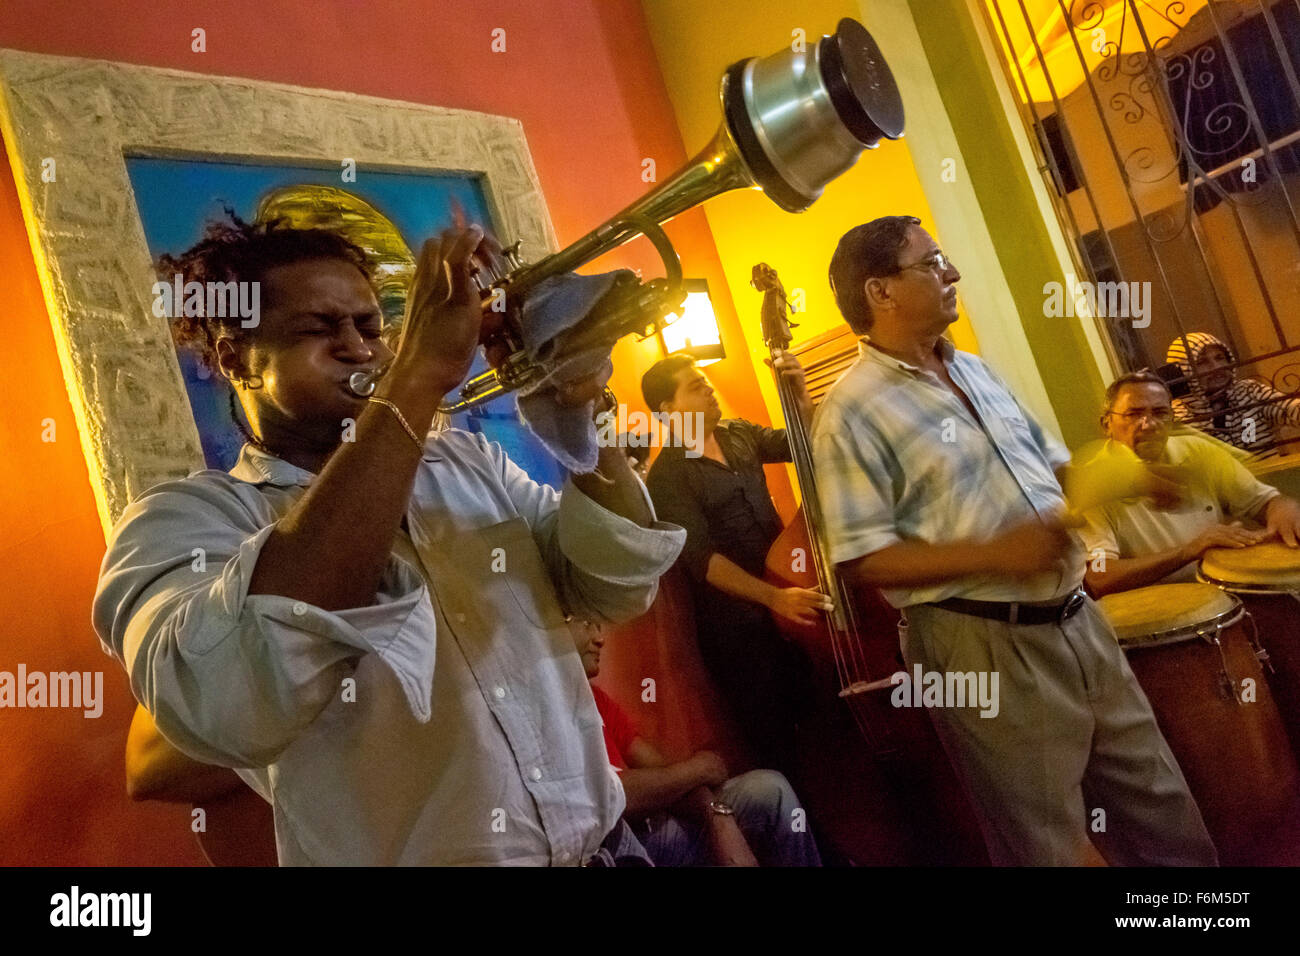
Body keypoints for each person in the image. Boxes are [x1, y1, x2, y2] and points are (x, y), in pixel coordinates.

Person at [92, 214, 685, 866]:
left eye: (371, 327)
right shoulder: (185, 520)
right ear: (236, 358)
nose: (358, 347)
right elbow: (231, 698)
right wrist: (420, 373)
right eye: (319, 329)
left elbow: (614, 584)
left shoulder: (469, 464)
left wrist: (578, 403)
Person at [811, 214, 1217, 866]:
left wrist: (1134, 480)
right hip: (979, 641)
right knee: (1048, 843)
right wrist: (998, 554)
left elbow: (1055, 469)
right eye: (932, 262)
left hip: (1078, 618)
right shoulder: (849, 411)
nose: (953, 273)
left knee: (1160, 805)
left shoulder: (975, 370)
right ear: (880, 291)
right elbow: (862, 561)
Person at [641, 353, 824, 773]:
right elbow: (704, 562)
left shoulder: (739, 434)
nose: (708, 389)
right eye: (694, 386)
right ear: (668, 410)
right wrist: (774, 597)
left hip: (791, 606)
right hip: (741, 635)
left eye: (705, 381)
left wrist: (800, 399)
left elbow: (809, 446)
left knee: (823, 725)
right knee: (780, 749)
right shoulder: (667, 476)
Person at [570, 618, 821, 866]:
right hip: (618, 842)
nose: (600, 639)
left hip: (655, 820)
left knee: (771, 790)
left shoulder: (597, 698)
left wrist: (715, 814)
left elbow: (662, 770)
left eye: (599, 626)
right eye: (586, 624)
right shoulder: (544, 713)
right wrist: (698, 769)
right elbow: (610, 795)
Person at [1079, 370, 1300, 596]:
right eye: (1134, 414)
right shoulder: (1096, 483)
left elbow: (1264, 501)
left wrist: (1281, 508)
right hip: (1159, 613)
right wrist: (1189, 551)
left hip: (1223, 596)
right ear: (1107, 424)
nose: (1148, 424)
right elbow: (1099, 574)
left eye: (1160, 413)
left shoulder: (1199, 452)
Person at [1166, 332, 1300, 458]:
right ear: (1184, 370)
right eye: (1202, 362)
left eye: (1220, 358)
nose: (1216, 367)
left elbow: (1290, 409)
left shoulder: (1249, 391)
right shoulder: (1178, 416)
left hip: (1269, 477)